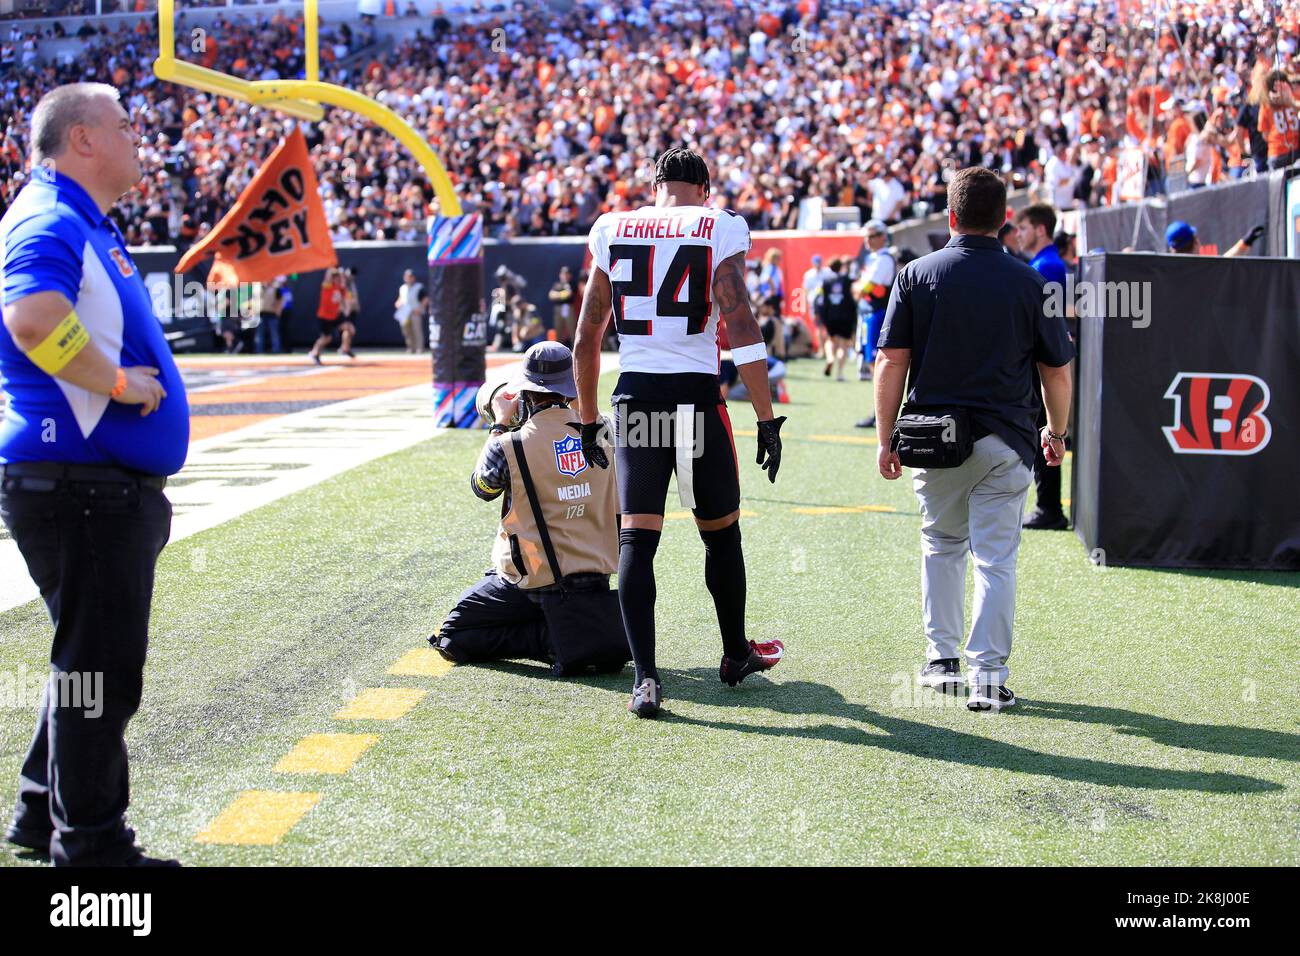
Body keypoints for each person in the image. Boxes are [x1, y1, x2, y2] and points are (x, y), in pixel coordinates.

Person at [0, 82, 190, 865]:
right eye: (124, 124)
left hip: (84, 482)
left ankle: (43, 812)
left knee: (83, 659)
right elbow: (32, 317)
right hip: (78, 484)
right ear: (82, 139)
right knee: (99, 676)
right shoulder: (51, 215)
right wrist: (117, 382)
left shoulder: (78, 217)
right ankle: (91, 849)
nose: (138, 136)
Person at [573, 146, 787, 718]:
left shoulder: (612, 226)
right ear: (706, 190)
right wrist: (766, 418)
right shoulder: (718, 225)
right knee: (720, 534)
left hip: (636, 396)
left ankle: (646, 680)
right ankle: (733, 653)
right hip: (694, 396)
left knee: (637, 539)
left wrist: (590, 419)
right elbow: (739, 321)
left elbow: (588, 334)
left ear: (654, 184)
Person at [873, 166, 1073, 712]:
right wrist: (1057, 432)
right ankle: (988, 677)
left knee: (941, 545)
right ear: (1005, 219)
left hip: (931, 437)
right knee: (996, 559)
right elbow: (1056, 370)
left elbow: (891, 361)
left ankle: (942, 662)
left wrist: (886, 437)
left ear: (952, 216)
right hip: (1007, 438)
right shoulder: (1032, 281)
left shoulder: (916, 274)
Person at [432, 343, 628, 673]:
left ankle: (550, 639)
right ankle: (574, 629)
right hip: (595, 576)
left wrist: (499, 423)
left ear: (525, 392)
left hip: (533, 581)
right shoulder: (607, 432)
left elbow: (481, 487)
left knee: (453, 635)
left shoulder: (509, 445)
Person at [1013, 203, 1069, 530]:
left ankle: (1049, 507)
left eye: (1023, 229)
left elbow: (1042, 322)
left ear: (1041, 229)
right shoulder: (1042, 264)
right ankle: (1048, 506)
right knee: (1041, 434)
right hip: (1041, 360)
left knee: (1044, 433)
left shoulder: (1046, 266)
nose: (1018, 235)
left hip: (1039, 362)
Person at [854, 218, 896, 420]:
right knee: (871, 364)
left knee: (877, 366)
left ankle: (881, 414)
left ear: (882, 237)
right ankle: (878, 413)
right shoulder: (874, 259)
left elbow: (864, 288)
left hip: (877, 315)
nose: (867, 241)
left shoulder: (883, 259)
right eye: (866, 236)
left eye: (871, 236)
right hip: (870, 314)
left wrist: (860, 288)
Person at [815, 257, 856, 381]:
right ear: (841, 267)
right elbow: (853, 298)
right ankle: (839, 373)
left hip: (831, 315)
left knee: (831, 341)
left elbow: (820, 299)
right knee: (843, 344)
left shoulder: (825, 281)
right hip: (845, 316)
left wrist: (821, 315)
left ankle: (830, 358)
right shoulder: (847, 280)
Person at [308, 267, 355, 364]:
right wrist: (334, 269)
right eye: (336, 278)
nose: (338, 280)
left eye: (339, 278)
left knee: (349, 328)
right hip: (324, 317)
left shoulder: (341, 288)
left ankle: (344, 348)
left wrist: (347, 308)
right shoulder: (327, 286)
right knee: (327, 338)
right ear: (333, 279)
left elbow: (347, 297)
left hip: (335, 316)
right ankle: (314, 353)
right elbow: (328, 275)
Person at [1165, 219, 1265, 258]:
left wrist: (1245, 243)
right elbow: (1222, 265)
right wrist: (1245, 243)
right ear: (1196, 242)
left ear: (1172, 249)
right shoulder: (1202, 270)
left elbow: (1221, 264)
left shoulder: (1160, 273)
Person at [393, 268, 427, 354]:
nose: (408, 278)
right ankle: (411, 348)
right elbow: (400, 299)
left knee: (417, 330)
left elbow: (426, 299)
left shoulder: (419, 286)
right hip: (405, 313)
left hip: (415, 312)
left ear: (413, 278)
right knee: (406, 331)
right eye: (407, 276)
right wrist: (397, 303)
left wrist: (420, 309)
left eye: (410, 276)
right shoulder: (402, 288)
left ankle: (419, 348)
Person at [254, 277, 285, 355]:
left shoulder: (276, 288)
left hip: (272, 313)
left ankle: (276, 350)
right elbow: (254, 300)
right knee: (259, 334)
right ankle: (259, 351)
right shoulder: (257, 287)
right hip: (260, 313)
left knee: (274, 333)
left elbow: (280, 300)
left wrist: (278, 311)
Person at [548, 265, 575, 346]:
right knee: (558, 328)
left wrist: (558, 295)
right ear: (560, 275)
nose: (565, 276)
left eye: (567, 274)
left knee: (571, 328)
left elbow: (569, 294)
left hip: (567, 307)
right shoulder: (557, 284)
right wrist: (562, 294)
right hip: (558, 308)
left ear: (570, 275)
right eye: (563, 274)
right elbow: (551, 295)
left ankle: (575, 346)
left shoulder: (571, 283)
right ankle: (558, 348)